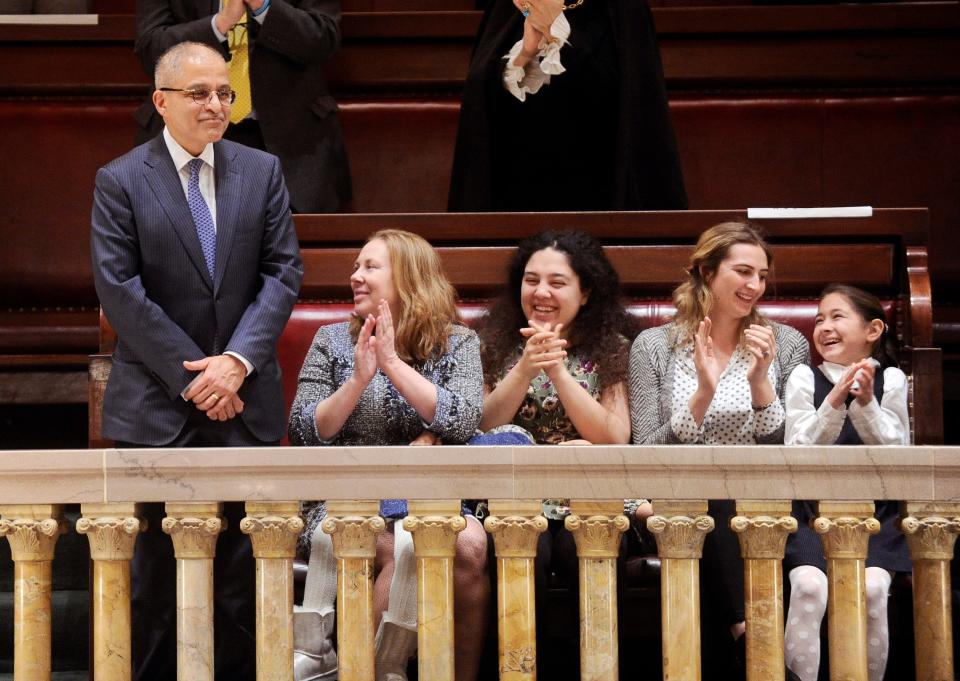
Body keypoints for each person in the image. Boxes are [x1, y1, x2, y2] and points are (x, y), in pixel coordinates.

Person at [91, 41, 303, 681]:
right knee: (155, 592)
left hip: (244, 403)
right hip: (157, 407)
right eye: (200, 93)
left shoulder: (260, 170)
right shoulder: (120, 179)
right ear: (161, 101)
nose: (216, 105)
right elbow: (119, 291)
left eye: (225, 93)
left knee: (244, 588)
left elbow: (283, 272)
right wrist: (200, 375)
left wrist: (235, 362)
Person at [288, 229, 488, 681]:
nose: (355, 276)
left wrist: (392, 363)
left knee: (471, 545)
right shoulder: (332, 340)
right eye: (356, 267)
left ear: (409, 278)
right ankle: (375, 671)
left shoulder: (457, 343)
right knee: (406, 545)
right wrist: (357, 381)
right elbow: (304, 430)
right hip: (344, 499)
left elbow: (462, 421)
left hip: (429, 496)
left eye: (370, 267)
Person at [629, 221, 809, 678]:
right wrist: (702, 394)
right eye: (743, 272)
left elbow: (791, 447)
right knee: (710, 491)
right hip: (675, 499)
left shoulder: (785, 343)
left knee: (727, 495)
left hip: (764, 496)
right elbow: (646, 447)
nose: (755, 286)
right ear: (708, 272)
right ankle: (752, 643)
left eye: (763, 275)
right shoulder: (655, 345)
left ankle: (742, 644)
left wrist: (761, 383)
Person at [475, 230, 645, 673]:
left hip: (589, 496)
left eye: (558, 282)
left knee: (585, 547)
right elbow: (482, 425)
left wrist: (557, 370)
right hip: (514, 496)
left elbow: (613, 437)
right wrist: (527, 366)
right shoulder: (493, 344)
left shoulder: (613, 348)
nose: (542, 292)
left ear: (585, 292)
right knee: (524, 549)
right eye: (531, 280)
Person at [448, 0, 687, 211]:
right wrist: (525, 54)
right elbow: (482, 98)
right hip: (518, 175)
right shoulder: (507, 6)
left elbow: (635, 102)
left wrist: (555, 30)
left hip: (599, 175)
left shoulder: (623, 9)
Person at [783, 284, 910, 681]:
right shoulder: (805, 376)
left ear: (873, 330)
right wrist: (834, 401)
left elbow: (898, 451)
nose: (824, 327)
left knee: (872, 589)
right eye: (819, 319)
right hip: (810, 512)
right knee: (808, 586)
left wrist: (867, 403)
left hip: (874, 515)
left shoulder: (891, 379)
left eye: (837, 316)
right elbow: (796, 448)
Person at [134, 0, 351, 213]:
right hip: (190, 134)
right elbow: (151, 48)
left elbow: (324, 37)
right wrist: (220, 25)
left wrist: (263, 6)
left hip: (292, 142)